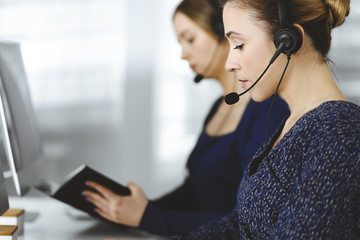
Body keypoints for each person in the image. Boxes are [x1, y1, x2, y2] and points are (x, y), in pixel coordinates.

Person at [81, 0, 290, 236]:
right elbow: (197, 191)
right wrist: (130, 209)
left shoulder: (267, 112)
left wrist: (148, 217)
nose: (183, 54)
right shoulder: (217, 108)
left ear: (223, 33)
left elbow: (247, 220)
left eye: (189, 39)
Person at [169, 0, 360, 239]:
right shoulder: (288, 127)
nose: (229, 64)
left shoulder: (338, 131)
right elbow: (239, 226)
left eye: (239, 44)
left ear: (289, 40)